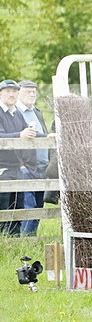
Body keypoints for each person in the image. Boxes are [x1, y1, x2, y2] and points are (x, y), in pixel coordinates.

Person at [0, 79, 37, 236]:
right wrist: (20, 135)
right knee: (3, 210)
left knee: (17, 208)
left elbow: (27, 132)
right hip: (2, 169)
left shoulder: (17, 113)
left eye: (14, 91)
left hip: (17, 169)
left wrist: (47, 135)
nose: (12, 94)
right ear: (0, 93)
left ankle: (14, 242)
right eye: (8, 91)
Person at [16, 80, 51, 236]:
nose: (31, 94)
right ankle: (24, 241)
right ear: (18, 93)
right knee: (28, 206)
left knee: (38, 205)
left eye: (33, 92)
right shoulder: (15, 112)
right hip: (25, 167)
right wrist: (20, 165)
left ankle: (31, 239)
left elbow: (40, 134)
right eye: (27, 91)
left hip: (43, 166)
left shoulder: (37, 112)